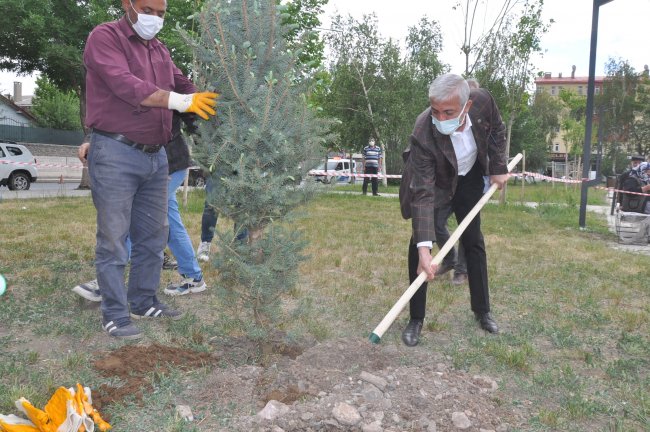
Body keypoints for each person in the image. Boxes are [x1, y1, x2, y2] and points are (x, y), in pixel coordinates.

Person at [82, 0, 217, 340]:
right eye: (148, 9)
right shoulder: (105, 37)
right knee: (113, 238)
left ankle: (143, 300)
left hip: (157, 157)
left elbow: (179, 82)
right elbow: (124, 84)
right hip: (115, 152)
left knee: (154, 234)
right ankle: (114, 314)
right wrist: (179, 101)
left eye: (161, 13)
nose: (154, 19)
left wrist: (204, 98)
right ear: (127, 3)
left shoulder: (159, 49)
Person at [401, 73, 509, 346]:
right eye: (435, 110)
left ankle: (482, 311)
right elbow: (423, 192)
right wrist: (426, 250)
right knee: (418, 245)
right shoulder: (424, 130)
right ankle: (416, 319)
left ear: (466, 106)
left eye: (448, 112)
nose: (440, 117)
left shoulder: (483, 102)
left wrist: (498, 168)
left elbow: (497, 129)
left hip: (469, 177)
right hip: (436, 182)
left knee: (473, 240)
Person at [196, 175, 248, 262]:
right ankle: (205, 244)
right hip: (219, 168)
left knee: (243, 207)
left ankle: (240, 248)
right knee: (211, 204)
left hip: (243, 168)